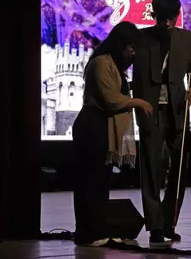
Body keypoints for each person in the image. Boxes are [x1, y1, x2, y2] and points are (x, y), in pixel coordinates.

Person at [72, 21, 154, 247]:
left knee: (101, 182)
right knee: (90, 181)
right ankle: (88, 233)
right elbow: (110, 99)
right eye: (130, 47)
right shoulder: (100, 63)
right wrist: (138, 102)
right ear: (120, 45)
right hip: (92, 125)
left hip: (102, 127)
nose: (132, 53)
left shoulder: (115, 66)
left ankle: (98, 230)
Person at [132, 0, 191, 243]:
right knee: (151, 169)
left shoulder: (187, 38)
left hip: (178, 111)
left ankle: (169, 222)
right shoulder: (141, 38)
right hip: (150, 110)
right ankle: (155, 227)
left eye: (172, 19)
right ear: (154, 17)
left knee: (179, 171)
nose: (168, 24)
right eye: (162, 20)